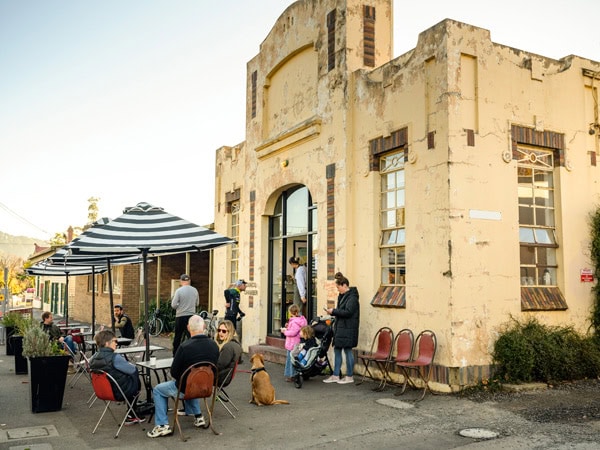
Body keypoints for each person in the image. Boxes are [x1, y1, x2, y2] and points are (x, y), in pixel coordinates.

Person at [147, 315, 219, 438]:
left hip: (187, 389)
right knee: (192, 380)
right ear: (204, 327)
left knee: (159, 389)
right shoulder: (214, 345)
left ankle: (162, 426)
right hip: (206, 388)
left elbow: (174, 372)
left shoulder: (184, 347)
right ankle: (198, 416)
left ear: (188, 328)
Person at [89, 329, 145, 425]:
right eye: (115, 341)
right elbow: (132, 369)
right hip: (119, 392)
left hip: (102, 391)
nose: (117, 343)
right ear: (107, 343)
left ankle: (132, 412)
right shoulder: (115, 358)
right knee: (134, 377)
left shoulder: (92, 358)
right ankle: (131, 414)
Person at [323, 272, 360, 384]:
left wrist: (334, 311)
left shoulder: (352, 297)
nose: (338, 290)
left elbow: (348, 312)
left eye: (338, 287)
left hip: (348, 328)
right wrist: (334, 312)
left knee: (348, 350)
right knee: (337, 349)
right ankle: (335, 375)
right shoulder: (343, 296)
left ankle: (349, 376)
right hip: (341, 327)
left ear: (344, 285)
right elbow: (343, 311)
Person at [171, 274, 199, 356]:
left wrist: (179, 305)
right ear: (189, 281)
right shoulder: (195, 290)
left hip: (180, 315)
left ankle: (175, 354)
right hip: (191, 316)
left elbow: (173, 305)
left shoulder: (179, 291)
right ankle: (192, 353)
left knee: (178, 336)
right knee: (191, 335)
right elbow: (197, 304)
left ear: (181, 281)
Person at [280, 304, 307, 382]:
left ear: (291, 312)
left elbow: (293, 332)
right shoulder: (301, 320)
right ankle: (293, 374)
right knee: (295, 359)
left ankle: (292, 375)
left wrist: (285, 331)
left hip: (292, 343)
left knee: (291, 359)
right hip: (297, 342)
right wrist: (288, 326)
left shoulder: (295, 322)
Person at [214, 319, 242, 386]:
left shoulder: (228, 347)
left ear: (229, 332)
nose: (220, 333)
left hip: (221, 378)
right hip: (226, 377)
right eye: (219, 330)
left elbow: (220, 365)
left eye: (224, 331)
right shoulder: (236, 344)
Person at [224, 279, 247, 344]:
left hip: (233, 315)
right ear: (239, 285)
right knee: (230, 333)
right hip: (230, 315)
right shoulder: (235, 291)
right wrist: (228, 302)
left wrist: (240, 313)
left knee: (231, 333)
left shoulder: (237, 293)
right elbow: (226, 292)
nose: (245, 286)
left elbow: (236, 305)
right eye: (244, 284)